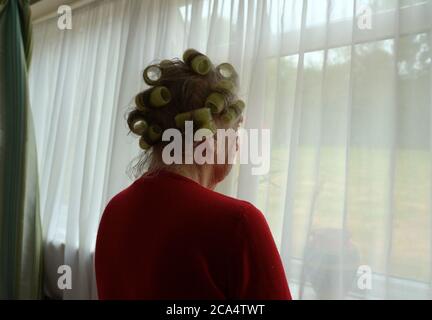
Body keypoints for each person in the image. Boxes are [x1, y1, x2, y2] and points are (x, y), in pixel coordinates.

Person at [95, 49, 291, 300]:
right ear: (208, 135)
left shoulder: (115, 210)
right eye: (235, 129)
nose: (238, 144)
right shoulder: (238, 223)